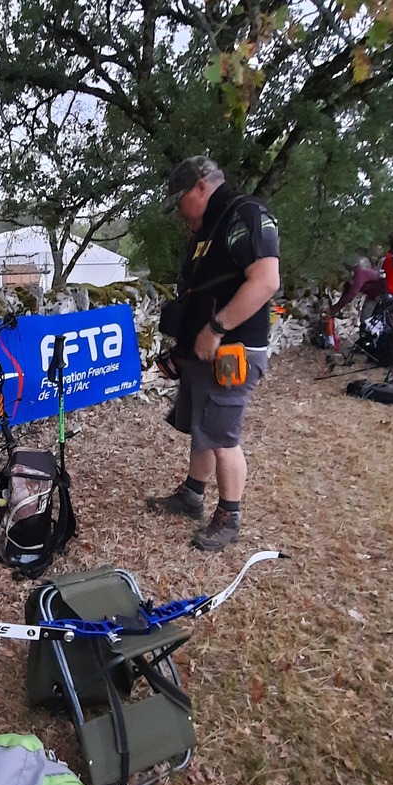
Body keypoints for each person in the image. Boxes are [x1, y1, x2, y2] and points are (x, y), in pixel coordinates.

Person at [147, 155, 281, 551]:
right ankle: (192, 496)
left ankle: (229, 516)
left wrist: (215, 329)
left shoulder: (245, 215)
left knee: (223, 437)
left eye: (180, 200)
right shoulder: (210, 227)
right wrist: (184, 349)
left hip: (231, 351)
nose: (178, 211)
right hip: (203, 351)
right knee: (203, 428)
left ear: (201, 186)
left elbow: (266, 281)